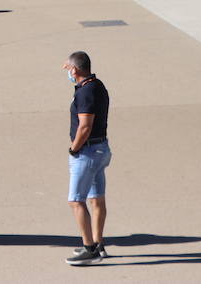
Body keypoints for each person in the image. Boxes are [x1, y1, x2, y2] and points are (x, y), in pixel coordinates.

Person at [64, 50, 111, 266]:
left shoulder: (85, 93)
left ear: (75, 69)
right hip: (101, 149)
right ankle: (98, 243)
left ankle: (88, 247)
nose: (68, 73)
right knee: (97, 198)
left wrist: (74, 148)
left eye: (68, 68)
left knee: (76, 201)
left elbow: (85, 126)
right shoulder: (98, 85)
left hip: (88, 152)